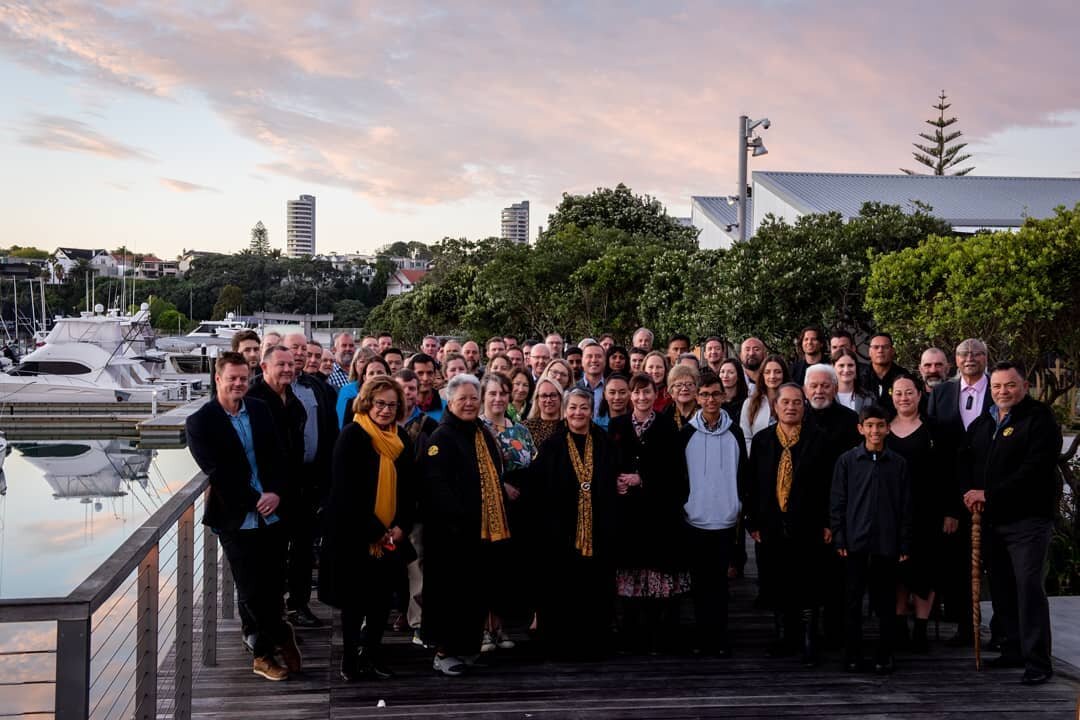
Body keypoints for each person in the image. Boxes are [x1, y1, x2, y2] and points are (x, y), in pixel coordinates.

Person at [186, 352, 300, 681]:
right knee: (251, 590)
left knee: (274, 584)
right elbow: (217, 472)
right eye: (232, 378)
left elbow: (281, 456)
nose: (238, 383)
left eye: (243, 378)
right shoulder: (200, 422)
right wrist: (255, 499)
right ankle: (269, 648)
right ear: (217, 379)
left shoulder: (261, 410)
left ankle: (272, 642)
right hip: (237, 517)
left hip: (274, 513)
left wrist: (275, 492)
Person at [960, 361, 1061, 686]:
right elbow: (966, 457)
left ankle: (1038, 662)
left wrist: (990, 493)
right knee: (1002, 588)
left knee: (1028, 588)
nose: (1003, 391)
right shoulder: (986, 420)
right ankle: (1013, 648)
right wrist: (967, 491)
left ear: (1025, 386)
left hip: (1027, 521)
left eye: (1010, 385)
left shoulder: (1039, 418)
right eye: (997, 386)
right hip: (991, 521)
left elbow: (1034, 468)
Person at [320, 377, 415, 681]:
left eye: (392, 404)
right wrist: (377, 530)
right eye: (380, 403)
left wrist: (401, 526)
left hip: (391, 534)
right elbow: (345, 491)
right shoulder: (352, 435)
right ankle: (349, 659)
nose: (386, 410)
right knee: (353, 602)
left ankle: (372, 653)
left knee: (380, 599)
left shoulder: (402, 439)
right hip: (354, 534)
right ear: (367, 403)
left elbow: (410, 490)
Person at [422, 374, 509, 676]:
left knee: (475, 593)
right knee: (451, 595)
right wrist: (458, 521)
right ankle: (444, 651)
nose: (470, 403)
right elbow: (437, 487)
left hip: (483, 531)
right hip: (452, 535)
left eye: (474, 397)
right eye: (463, 399)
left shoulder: (480, 431)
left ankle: (468, 647)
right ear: (449, 401)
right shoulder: (441, 438)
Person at [745, 383, 833, 667]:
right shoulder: (762, 441)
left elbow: (830, 486)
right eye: (786, 402)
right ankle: (784, 636)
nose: (791, 407)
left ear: (804, 405)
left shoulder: (819, 439)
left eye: (797, 402)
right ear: (776, 406)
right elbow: (752, 485)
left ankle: (809, 638)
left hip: (808, 522)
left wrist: (829, 522)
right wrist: (753, 521)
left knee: (808, 581)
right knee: (777, 579)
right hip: (771, 523)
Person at [532, 388, 618, 658]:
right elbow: (539, 486)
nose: (578, 413)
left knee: (595, 589)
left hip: (598, 530)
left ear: (591, 411)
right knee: (561, 589)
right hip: (562, 532)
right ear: (565, 411)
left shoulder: (603, 442)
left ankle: (594, 644)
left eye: (583, 407)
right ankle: (560, 645)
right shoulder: (552, 445)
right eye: (573, 408)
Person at [608, 374, 690, 653]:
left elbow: (677, 473)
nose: (641, 397)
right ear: (630, 396)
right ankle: (631, 637)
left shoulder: (668, 426)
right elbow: (608, 462)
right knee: (630, 577)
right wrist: (615, 481)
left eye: (647, 393)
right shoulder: (617, 426)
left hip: (659, 515)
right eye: (637, 393)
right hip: (628, 515)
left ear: (656, 395)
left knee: (658, 578)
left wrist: (642, 479)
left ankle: (658, 636)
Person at [832, 405, 912, 674]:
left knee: (885, 601)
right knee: (852, 600)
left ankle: (885, 653)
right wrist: (840, 536)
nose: (875, 431)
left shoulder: (898, 463)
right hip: (854, 541)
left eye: (880, 425)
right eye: (870, 426)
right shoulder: (847, 461)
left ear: (888, 428)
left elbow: (905, 506)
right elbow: (838, 501)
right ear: (860, 428)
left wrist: (903, 542)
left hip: (886, 543)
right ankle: (852, 653)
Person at [926, 338, 991, 647]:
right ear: (956, 359)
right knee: (958, 565)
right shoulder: (941, 394)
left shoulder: (997, 391)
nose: (970, 359)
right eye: (964, 354)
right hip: (953, 492)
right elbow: (935, 450)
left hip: (992, 490)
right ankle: (965, 627)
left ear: (986, 358)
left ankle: (1003, 631)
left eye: (976, 354)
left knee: (996, 565)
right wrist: (949, 504)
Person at [681, 371, 748, 656]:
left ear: (723, 396)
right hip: (695, 521)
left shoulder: (734, 432)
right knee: (700, 583)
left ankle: (720, 637)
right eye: (705, 394)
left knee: (720, 584)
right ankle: (702, 636)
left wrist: (739, 507)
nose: (710, 399)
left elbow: (743, 474)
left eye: (715, 394)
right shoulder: (685, 434)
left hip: (725, 520)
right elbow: (679, 477)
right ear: (697, 397)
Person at [886, 374, 948, 653]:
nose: (904, 398)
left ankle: (921, 628)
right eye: (898, 393)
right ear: (891, 396)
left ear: (919, 395)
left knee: (926, 569)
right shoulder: (882, 428)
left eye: (909, 392)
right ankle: (898, 625)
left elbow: (950, 472)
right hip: (892, 512)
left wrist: (950, 512)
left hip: (928, 511)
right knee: (898, 570)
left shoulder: (935, 429)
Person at [281, 332, 339, 627]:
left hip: (311, 477)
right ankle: (276, 609)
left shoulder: (315, 386)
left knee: (303, 547)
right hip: (278, 483)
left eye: (304, 349)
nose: (301, 354)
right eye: (295, 348)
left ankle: (300, 604)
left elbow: (329, 431)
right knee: (278, 549)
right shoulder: (264, 389)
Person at [479, 372, 536, 653]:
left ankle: (500, 628)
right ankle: (484, 630)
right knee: (486, 570)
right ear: (483, 396)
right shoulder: (476, 428)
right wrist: (501, 487)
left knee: (505, 571)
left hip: (518, 510)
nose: (499, 398)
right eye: (492, 393)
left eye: (503, 393)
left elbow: (532, 464)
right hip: (487, 510)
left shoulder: (520, 430)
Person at [394, 369, 438, 647]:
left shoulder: (428, 425)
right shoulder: (381, 422)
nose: (408, 393)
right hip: (385, 506)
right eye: (403, 388)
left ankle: (418, 621)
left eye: (412, 388)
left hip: (417, 506)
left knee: (416, 565)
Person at [739, 355, 790, 454]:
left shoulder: (793, 402)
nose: (772, 376)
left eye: (777, 372)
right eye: (767, 372)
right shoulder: (750, 403)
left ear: (784, 374)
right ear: (762, 375)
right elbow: (746, 438)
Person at [336, 355, 390, 428]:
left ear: (388, 375)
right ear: (365, 378)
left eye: (380, 372)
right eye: (371, 373)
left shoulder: (395, 403)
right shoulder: (353, 405)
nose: (375, 376)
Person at [860, 333, 908, 412]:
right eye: (876, 347)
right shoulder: (860, 376)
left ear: (892, 351)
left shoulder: (903, 376)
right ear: (869, 351)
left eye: (885, 347)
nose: (880, 350)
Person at [524, 377, 565, 448]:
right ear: (537, 399)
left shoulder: (568, 426)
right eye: (544, 396)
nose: (548, 400)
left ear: (560, 398)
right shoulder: (525, 428)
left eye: (553, 395)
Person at [832, 348, 874, 413]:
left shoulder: (869, 397)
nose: (846, 370)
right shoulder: (827, 396)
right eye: (841, 365)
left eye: (850, 365)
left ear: (856, 367)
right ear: (833, 368)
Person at [408, 352, 444, 422]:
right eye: (420, 373)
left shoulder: (446, 407)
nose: (425, 378)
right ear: (411, 375)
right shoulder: (402, 407)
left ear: (434, 375)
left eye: (429, 373)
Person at [665, 363, 699, 429]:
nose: (684, 388)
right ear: (671, 391)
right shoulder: (666, 414)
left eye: (689, 384)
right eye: (678, 385)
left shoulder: (704, 412)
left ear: (696, 389)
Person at [577, 341, 606, 414]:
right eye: (589, 356)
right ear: (582, 362)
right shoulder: (574, 388)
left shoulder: (611, 388)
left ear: (605, 361)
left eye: (598, 356)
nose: (594, 360)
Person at [718, 357, 749, 422]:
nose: (725, 376)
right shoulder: (715, 401)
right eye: (722, 372)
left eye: (731, 372)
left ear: (738, 376)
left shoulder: (747, 402)